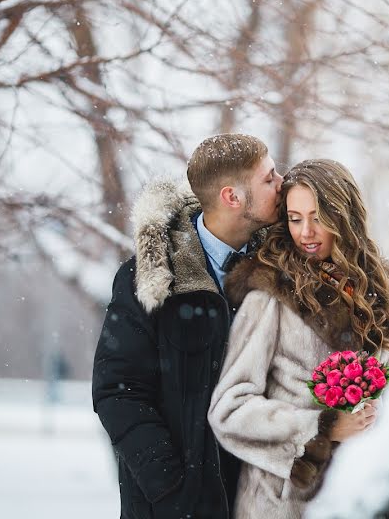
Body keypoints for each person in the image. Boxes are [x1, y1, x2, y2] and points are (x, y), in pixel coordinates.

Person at [92, 134, 283, 519]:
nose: (282, 183)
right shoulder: (149, 276)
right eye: (269, 178)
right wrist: (172, 490)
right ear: (233, 197)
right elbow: (118, 391)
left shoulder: (280, 270)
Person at [208, 158, 389, 519]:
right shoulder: (269, 295)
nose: (306, 232)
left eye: (318, 217)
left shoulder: (376, 293)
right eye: (295, 218)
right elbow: (229, 409)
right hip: (282, 503)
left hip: (358, 494)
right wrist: (320, 429)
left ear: (343, 217)